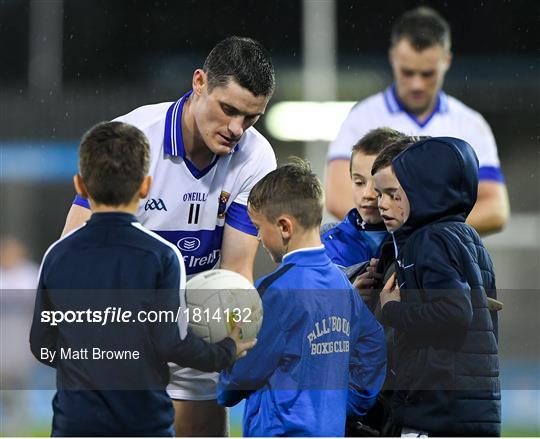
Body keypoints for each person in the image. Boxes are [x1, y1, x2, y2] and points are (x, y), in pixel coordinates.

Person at [60, 36, 276, 435]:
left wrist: (231, 339)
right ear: (199, 82)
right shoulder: (130, 137)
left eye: (250, 118)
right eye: (228, 109)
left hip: (196, 327)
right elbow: (74, 249)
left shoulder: (257, 156)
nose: (236, 129)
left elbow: (235, 270)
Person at [29, 121, 255, 436]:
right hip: (144, 424)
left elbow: (41, 344)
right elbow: (173, 344)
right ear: (145, 187)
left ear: (80, 186)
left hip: (75, 424)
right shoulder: (162, 257)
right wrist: (226, 350)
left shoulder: (58, 255)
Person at [217, 160, 387, 436]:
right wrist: (346, 404)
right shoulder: (342, 284)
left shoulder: (275, 290)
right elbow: (373, 343)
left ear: (284, 227)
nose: (258, 237)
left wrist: (225, 367)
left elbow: (242, 377)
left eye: (258, 227)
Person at [325, 6, 509, 235]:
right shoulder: (363, 117)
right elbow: (336, 195)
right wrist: (397, 235)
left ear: (447, 61)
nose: (417, 84)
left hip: (443, 263)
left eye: (427, 74)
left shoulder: (470, 124)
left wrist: (428, 236)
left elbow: (496, 209)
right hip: (376, 266)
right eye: (408, 72)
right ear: (393, 58)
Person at [372, 136, 500, 436]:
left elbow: (455, 312)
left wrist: (393, 309)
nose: (382, 204)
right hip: (477, 409)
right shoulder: (470, 240)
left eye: (394, 193)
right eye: (380, 194)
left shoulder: (428, 240)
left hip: (436, 411)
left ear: (425, 190)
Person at [322, 127, 404, 268]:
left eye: (378, 184)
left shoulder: (416, 241)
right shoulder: (324, 242)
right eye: (359, 182)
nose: (368, 194)